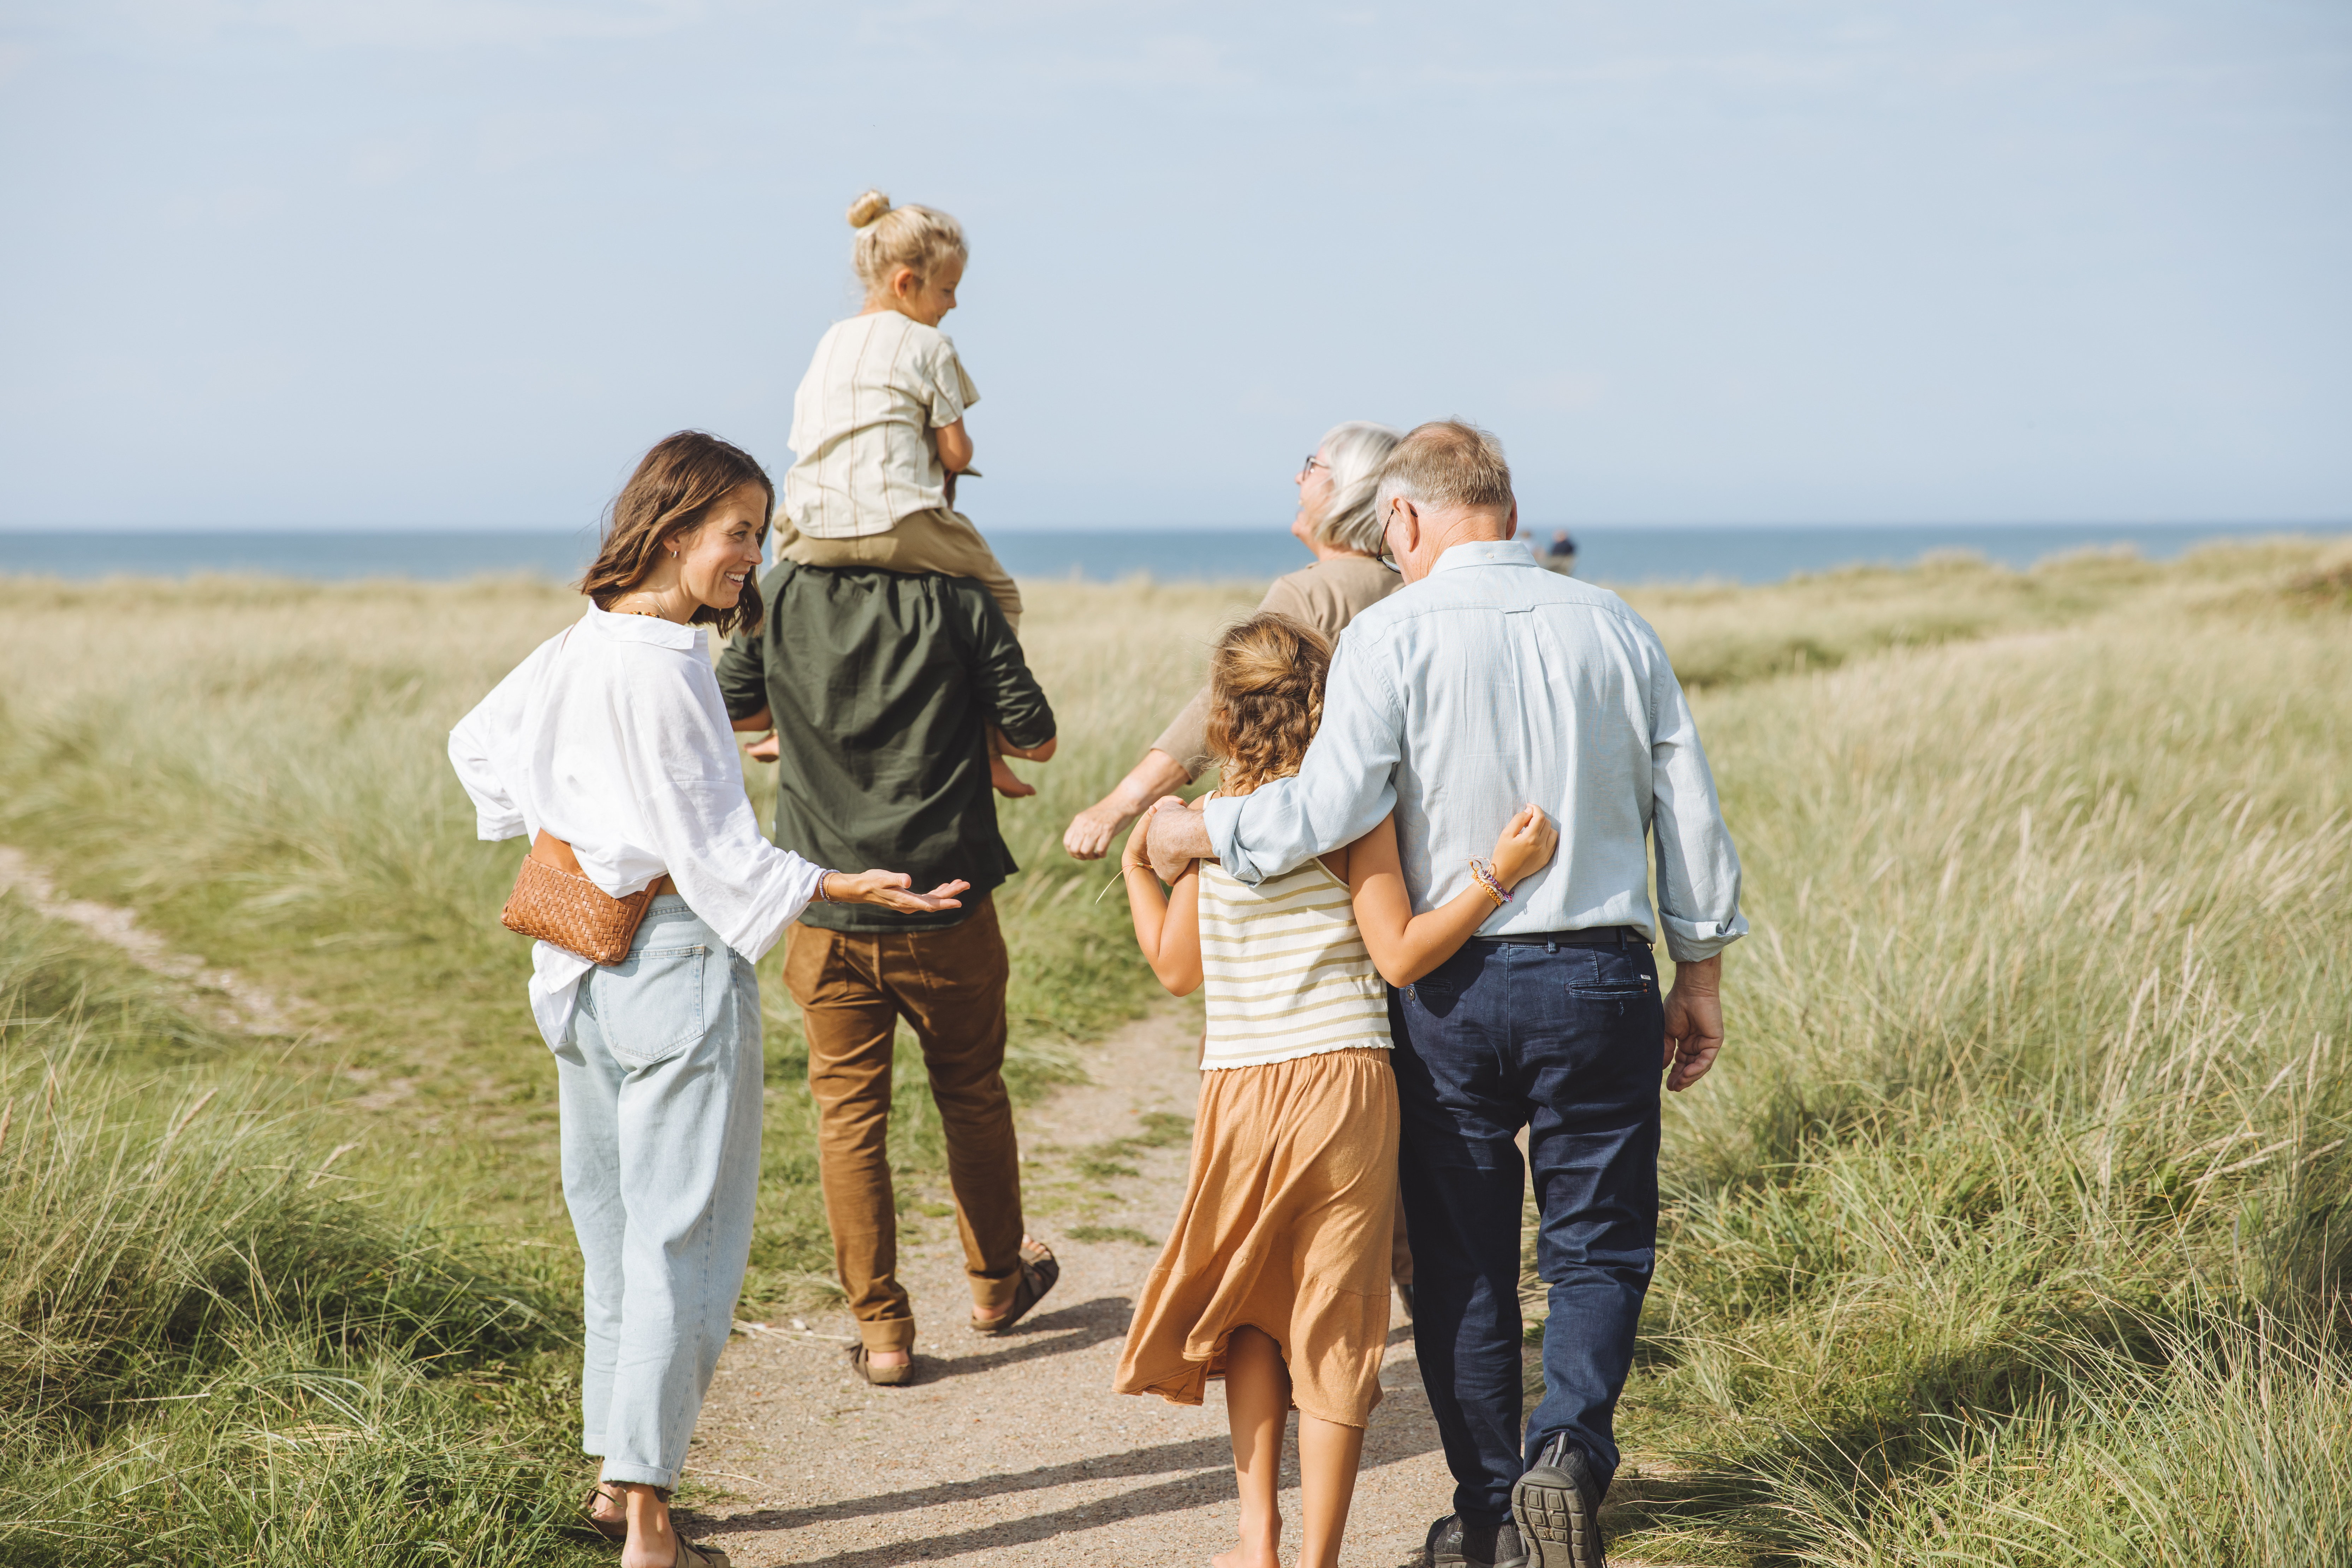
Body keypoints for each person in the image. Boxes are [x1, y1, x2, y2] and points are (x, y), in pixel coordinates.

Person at [1145, 422, 1746, 1568]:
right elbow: (1692, 812)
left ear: (1410, 520)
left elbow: (1323, 813)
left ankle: (1489, 1519)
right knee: (1598, 1249)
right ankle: (1569, 1454)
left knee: (1468, 1266)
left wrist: (1198, 829)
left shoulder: (1394, 635)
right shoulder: (1619, 626)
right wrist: (1700, 970)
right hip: (1601, 978)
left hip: (1455, 995)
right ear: (1509, 512)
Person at [447, 432, 967, 1568]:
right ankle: (649, 1525)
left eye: (761, 534)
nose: (753, 557)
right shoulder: (672, 664)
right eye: (739, 532)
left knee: (616, 1236)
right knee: (685, 1242)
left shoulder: (578, 646)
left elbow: (476, 750)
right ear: (674, 527)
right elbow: (718, 849)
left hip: (576, 969)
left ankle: (611, 1482)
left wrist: (573, 835)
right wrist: (837, 878)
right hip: (675, 968)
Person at [1113, 612, 1558, 1568]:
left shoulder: (1207, 833)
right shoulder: (1352, 816)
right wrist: (1494, 878)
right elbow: (1400, 955)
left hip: (1240, 1088)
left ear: (1222, 717)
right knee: (1336, 1317)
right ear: (1324, 705)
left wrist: (1134, 873)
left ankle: (1256, 1543)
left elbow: (1174, 969)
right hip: (1348, 1087)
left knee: (1246, 1306)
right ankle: (1318, 1557)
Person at [716, 522, 1061, 1387]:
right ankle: (994, 1287)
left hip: (826, 910)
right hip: (947, 905)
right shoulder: (955, 595)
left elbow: (732, 708)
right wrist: (965, 717)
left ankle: (882, 1334)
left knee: (848, 1117)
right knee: (973, 1094)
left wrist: (803, 724)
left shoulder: (782, 590)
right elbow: (1037, 738)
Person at [762, 188, 1033, 798]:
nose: (954, 304)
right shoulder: (929, 345)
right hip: (897, 520)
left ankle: (784, 720)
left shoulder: (829, 344)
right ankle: (993, 739)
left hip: (810, 526)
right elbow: (959, 454)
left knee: (781, 607)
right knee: (999, 596)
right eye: (946, 291)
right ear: (907, 283)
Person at [1062, 421, 1403, 859]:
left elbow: (1216, 706)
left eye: (1312, 467)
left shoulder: (1307, 592)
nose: (1299, 478)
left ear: (1346, 490)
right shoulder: (1412, 584)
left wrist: (1116, 807)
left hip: (1308, 841)